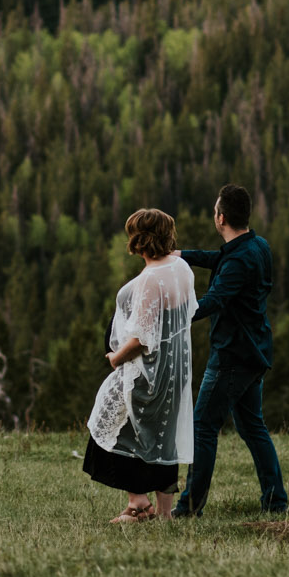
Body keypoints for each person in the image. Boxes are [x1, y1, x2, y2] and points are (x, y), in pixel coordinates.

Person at [172, 184, 289, 518]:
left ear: (220, 217)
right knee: (253, 428)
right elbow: (219, 259)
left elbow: (214, 300)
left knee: (204, 428)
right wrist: (183, 256)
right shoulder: (257, 245)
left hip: (232, 357)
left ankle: (189, 507)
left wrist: (171, 316)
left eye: (214, 211)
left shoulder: (238, 259)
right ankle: (275, 501)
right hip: (255, 352)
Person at [83, 209, 196, 524]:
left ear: (139, 240)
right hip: (176, 372)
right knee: (163, 435)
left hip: (149, 371)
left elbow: (142, 338)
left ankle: (137, 503)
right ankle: (162, 512)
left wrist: (116, 358)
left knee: (111, 428)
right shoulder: (182, 268)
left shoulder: (150, 279)